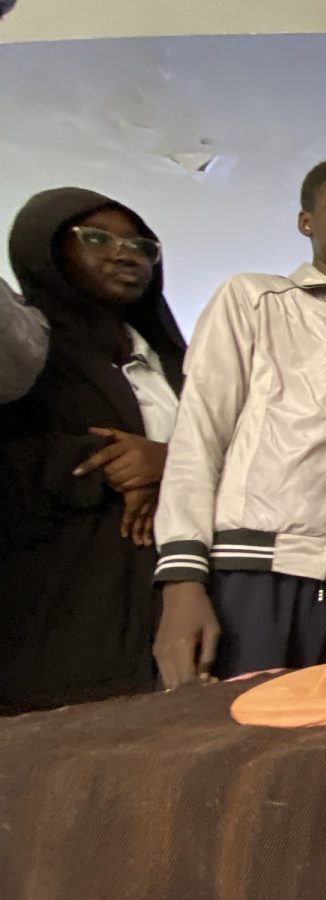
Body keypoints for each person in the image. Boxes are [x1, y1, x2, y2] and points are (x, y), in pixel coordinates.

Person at [152, 159, 326, 688]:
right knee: (228, 730)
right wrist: (183, 577)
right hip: (252, 575)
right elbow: (200, 434)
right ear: (306, 222)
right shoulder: (253, 301)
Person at [0, 187, 185, 712]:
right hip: (60, 613)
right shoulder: (24, 353)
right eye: (98, 239)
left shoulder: (173, 361)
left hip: (166, 602)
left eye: (142, 246)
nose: (126, 255)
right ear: (48, 249)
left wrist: (167, 462)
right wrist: (98, 466)